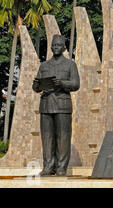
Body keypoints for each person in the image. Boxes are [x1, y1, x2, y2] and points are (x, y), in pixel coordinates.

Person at [32, 35, 80, 176]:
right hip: (46, 105)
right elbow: (36, 88)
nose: (56, 47)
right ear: (51, 47)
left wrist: (63, 83)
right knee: (47, 137)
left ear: (64, 47)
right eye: (54, 45)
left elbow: (76, 84)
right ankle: (48, 166)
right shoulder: (44, 65)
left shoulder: (70, 64)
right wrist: (36, 85)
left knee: (63, 137)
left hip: (62, 105)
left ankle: (61, 167)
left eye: (59, 45)